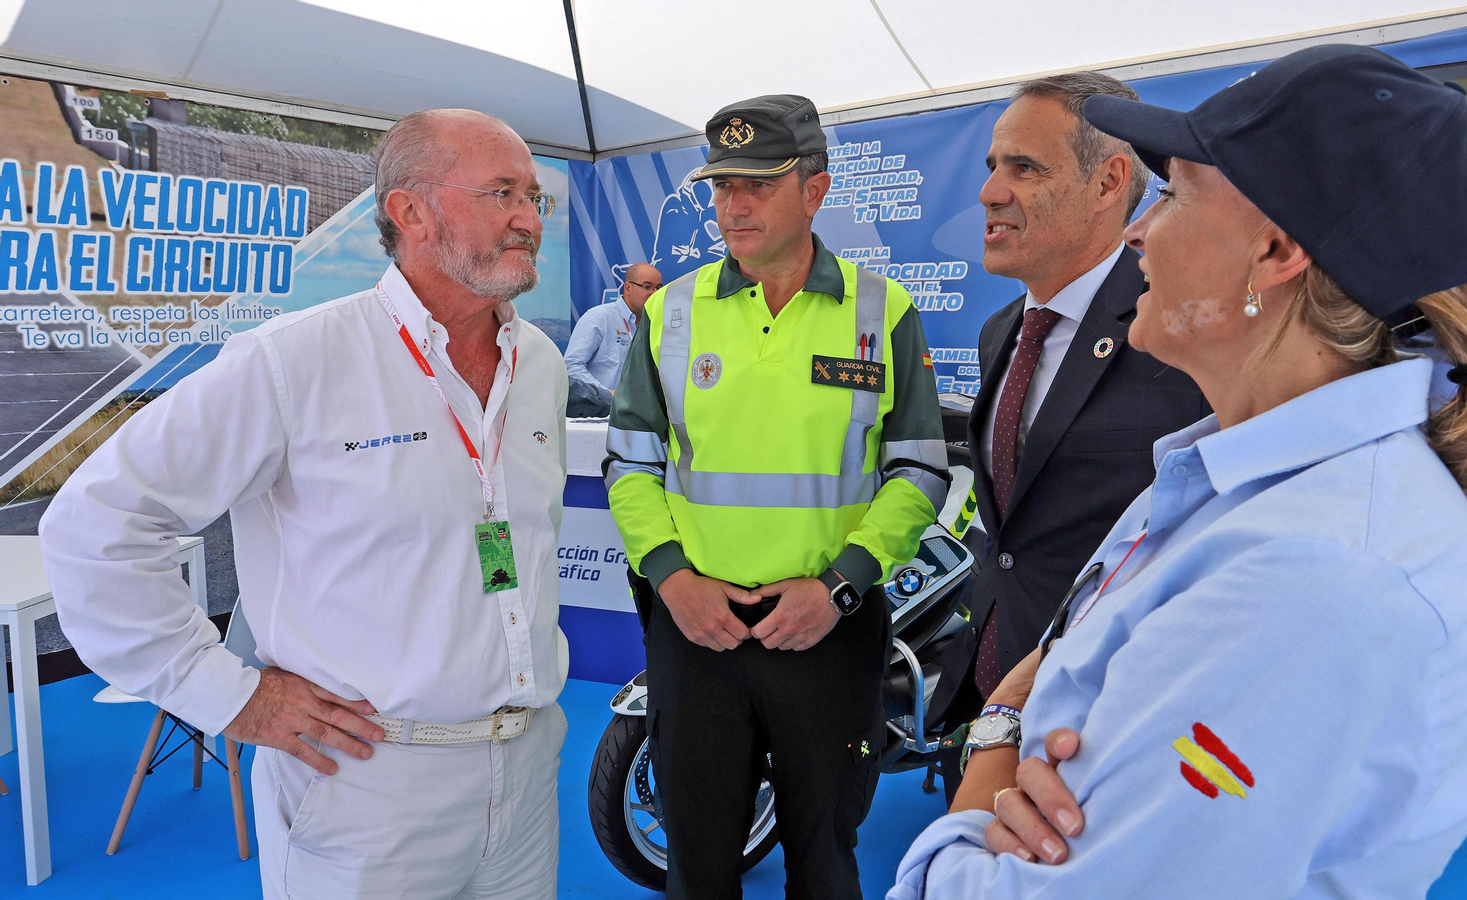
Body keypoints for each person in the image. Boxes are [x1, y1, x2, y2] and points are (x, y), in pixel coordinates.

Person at [891, 44, 1467, 899]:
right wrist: (1014, 727)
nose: (1142, 231)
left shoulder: (1315, 571)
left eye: (1174, 194)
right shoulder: (1228, 475)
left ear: (1275, 252)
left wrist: (983, 784)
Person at [40, 108, 571, 900]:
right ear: (410, 211)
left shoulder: (541, 365)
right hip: (364, 783)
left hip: (528, 773)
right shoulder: (293, 361)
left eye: (535, 197)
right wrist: (229, 695)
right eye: (502, 193)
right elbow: (97, 526)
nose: (528, 218)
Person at [604, 94, 948, 900]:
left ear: (816, 191)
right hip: (699, 631)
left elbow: (920, 471)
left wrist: (838, 587)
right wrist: (673, 580)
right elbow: (629, 464)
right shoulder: (670, 313)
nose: (734, 205)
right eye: (723, 186)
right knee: (698, 863)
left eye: (757, 183)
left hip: (828, 630)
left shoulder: (883, 311)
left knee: (825, 860)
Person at [928, 73, 1209, 800]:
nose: (991, 193)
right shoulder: (1001, 334)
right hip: (992, 701)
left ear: (1110, 180)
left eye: (1023, 168)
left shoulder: (1181, 334)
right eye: (993, 167)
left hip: (1108, 729)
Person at [565, 262, 661, 416]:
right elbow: (571, 365)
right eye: (647, 286)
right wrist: (606, 395)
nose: (654, 293)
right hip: (599, 414)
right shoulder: (599, 317)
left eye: (658, 288)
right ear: (628, 288)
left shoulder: (657, 324)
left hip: (640, 417)